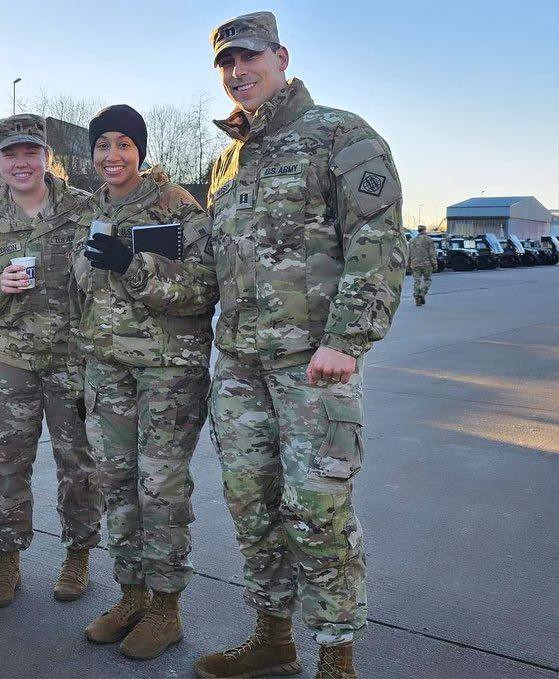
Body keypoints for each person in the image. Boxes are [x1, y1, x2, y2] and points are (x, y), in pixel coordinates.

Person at [194, 13, 405, 679]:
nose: (237, 72)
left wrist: (347, 339)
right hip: (239, 365)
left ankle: (336, 654)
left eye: (248, 57)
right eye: (225, 63)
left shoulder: (339, 135)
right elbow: (213, 261)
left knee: (316, 509)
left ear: (280, 56)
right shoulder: (226, 160)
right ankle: (271, 636)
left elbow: (377, 242)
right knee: (249, 502)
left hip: (312, 365)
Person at [72, 105, 218, 660]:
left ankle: (166, 609)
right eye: (102, 145)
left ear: (141, 150)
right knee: (116, 483)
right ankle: (131, 594)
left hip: (166, 371)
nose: (112, 156)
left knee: (159, 488)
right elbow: (82, 292)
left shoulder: (176, 206)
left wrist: (132, 262)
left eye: (123, 145)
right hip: (107, 369)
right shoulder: (93, 210)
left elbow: (204, 287)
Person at [0, 114, 102, 607]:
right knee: (9, 464)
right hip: (11, 359)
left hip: (72, 359)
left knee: (77, 464)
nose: (21, 163)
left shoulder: (84, 209)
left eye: (30, 153)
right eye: (10, 155)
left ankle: (78, 555)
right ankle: (7, 560)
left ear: (46, 158)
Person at [409, 225, 435, 306]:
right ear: (424, 230)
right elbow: (432, 253)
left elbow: (409, 254)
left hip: (415, 264)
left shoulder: (411, 240)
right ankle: (422, 293)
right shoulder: (428, 240)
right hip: (426, 264)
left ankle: (417, 298)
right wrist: (434, 264)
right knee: (427, 280)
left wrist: (409, 264)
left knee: (417, 281)